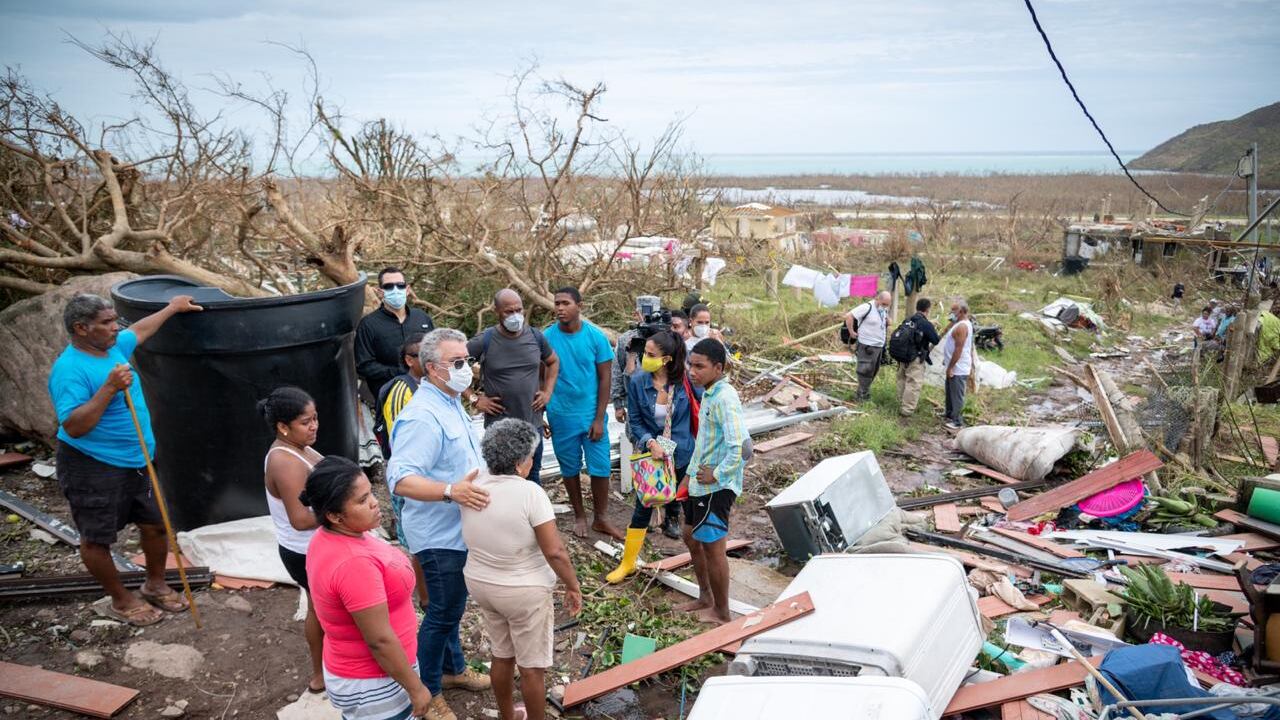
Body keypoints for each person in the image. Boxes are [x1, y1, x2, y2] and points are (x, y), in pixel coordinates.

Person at [48, 293, 202, 626]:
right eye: (106, 323)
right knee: (96, 538)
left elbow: (142, 330)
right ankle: (120, 600)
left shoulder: (113, 347)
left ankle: (155, 583)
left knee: (156, 524)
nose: (116, 327)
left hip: (138, 460)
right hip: (93, 465)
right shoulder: (70, 370)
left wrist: (173, 307)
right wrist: (109, 388)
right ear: (81, 328)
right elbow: (73, 426)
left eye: (115, 320)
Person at [387, 328, 492, 720]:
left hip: (458, 528)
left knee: (451, 607)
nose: (468, 369)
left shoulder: (452, 402)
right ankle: (428, 691)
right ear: (432, 368)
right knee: (442, 613)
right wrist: (451, 491)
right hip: (437, 535)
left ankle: (453, 669)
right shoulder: (421, 417)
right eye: (458, 363)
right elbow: (400, 479)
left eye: (468, 360)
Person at [460, 419, 583, 720]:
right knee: (531, 668)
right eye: (530, 457)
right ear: (519, 463)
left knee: (502, 654)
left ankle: (507, 715)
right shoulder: (531, 494)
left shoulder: (473, 483)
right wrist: (573, 585)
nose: (532, 462)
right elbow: (554, 551)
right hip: (522, 591)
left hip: (481, 584)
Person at [302, 456, 433, 720]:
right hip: (374, 682)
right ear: (335, 515)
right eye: (362, 500)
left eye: (370, 493)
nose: (374, 502)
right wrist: (416, 688)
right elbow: (379, 640)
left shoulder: (329, 537)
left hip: (360, 671)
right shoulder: (354, 563)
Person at [609, 332, 700, 580]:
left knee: (691, 506)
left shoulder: (687, 381)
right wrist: (650, 442)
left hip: (683, 454)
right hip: (654, 458)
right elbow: (636, 422)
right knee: (642, 507)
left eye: (650, 355)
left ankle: (701, 558)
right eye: (644, 353)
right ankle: (627, 563)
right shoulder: (638, 382)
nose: (644, 359)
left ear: (667, 359)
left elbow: (704, 409)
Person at [259, 386, 326, 695]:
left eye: (314, 418)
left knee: (324, 609)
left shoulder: (299, 447)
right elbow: (300, 520)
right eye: (305, 421)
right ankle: (320, 675)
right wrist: (342, 512)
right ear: (282, 427)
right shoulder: (284, 461)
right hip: (305, 550)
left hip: (312, 546)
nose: (313, 426)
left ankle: (326, 671)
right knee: (321, 611)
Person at [543, 287, 624, 540]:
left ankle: (601, 517)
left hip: (590, 414)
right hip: (560, 415)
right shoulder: (546, 338)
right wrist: (541, 412)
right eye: (556, 303)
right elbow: (539, 376)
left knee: (600, 467)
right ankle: (579, 515)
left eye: (565, 303)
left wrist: (599, 417)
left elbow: (605, 378)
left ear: (580, 305)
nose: (559, 308)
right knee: (569, 467)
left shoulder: (596, 338)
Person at [682, 339, 748, 624]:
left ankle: (722, 611)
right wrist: (688, 476)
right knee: (690, 535)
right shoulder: (709, 392)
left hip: (716, 487)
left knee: (713, 546)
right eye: (690, 365)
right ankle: (705, 595)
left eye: (699, 366)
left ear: (718, 368)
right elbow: (705, 442)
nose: (692, 371)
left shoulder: (724, 398)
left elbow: (742, 448)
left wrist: (717, 474)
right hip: (698, 484)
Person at [467, 289, 560, 486]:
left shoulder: (535, 337)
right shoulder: (485, 340)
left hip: (531, 424)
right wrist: (474, 398)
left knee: (532, 477)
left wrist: (547, 392)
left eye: (519, 310)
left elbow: (553, 362)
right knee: (501, 480)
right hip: (500, 428)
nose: (515, 316)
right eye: (509, 311)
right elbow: (450, 365)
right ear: (496, 311)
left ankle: (533, 517)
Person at [372, 333, 431, 609]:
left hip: (426, 474)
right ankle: (424, 596)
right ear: (409, 360)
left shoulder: (428, 386)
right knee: (417, 536)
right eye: (423, 353)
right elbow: (401, 442)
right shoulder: (402, 390)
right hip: (410, 476)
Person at [355, 267, 435, 399]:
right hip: (391, 396)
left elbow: (436, 351)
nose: (396, 290)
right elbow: (363, 365)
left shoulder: (422, 318)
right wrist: (398, 372)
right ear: (380, 292)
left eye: (400, 285)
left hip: (427, 393)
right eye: (389, 287)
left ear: (407, 289)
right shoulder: (368, 325)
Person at [895, 298, 941, 417]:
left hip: (902, 356)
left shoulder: (908, 320)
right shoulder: (925, 323)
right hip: (915, 357)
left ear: (917, 308)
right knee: (913, 383)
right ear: (928, 309)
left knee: (902, 379)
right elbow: (935, 339)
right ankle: (907, 410)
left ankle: (900, 403)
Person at [845, 290, 892, 400]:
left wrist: (886, 318)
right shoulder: (867, 307)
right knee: (865, 371)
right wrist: (851, 332)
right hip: (867, 345)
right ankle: (862, 396)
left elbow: (888, 322)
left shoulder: (883, 310)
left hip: (879, 345)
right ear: (877, 299)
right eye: (883, 304)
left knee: (873, 371)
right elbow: (849, 316)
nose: (885, 306)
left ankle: (863, 392)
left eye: (887, 304)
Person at [941, 300, 975, 431]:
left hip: (958, 367)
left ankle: (958, 421)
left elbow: (958, 349)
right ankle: (949, 414)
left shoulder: (962, 327)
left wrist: (951, 367)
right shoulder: (959, 324)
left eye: (954, 310)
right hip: (954, 364)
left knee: (957, 394)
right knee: (950, 391)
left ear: (961, 312)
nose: (951, 313)